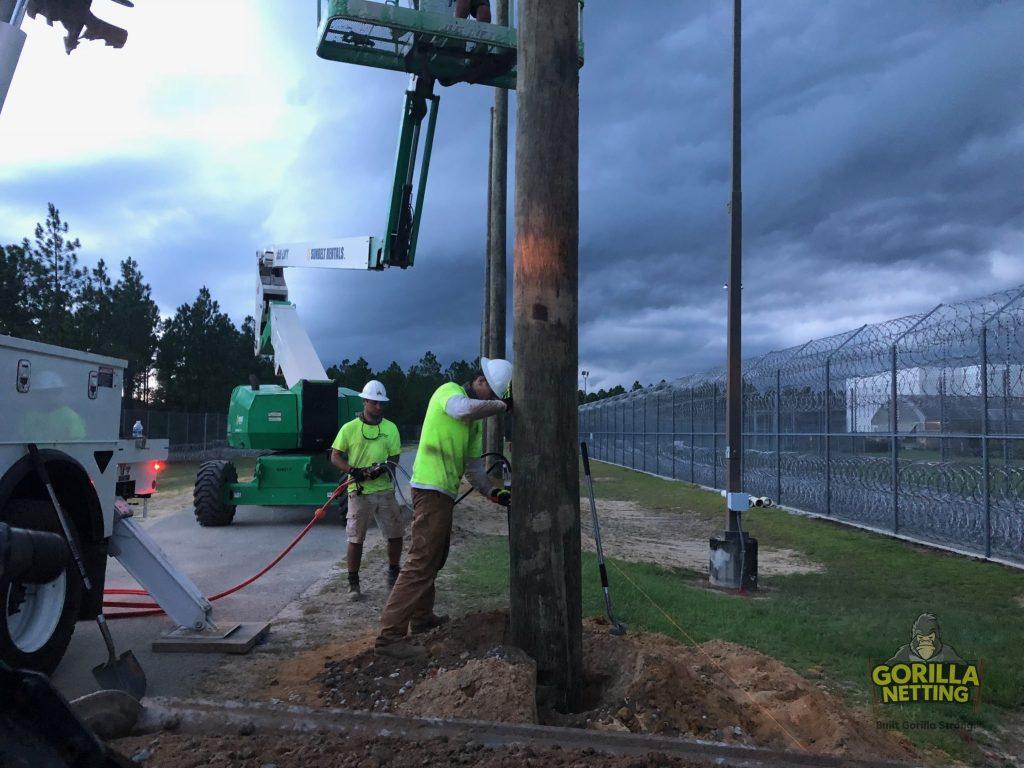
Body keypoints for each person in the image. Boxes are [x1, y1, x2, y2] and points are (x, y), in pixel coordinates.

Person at [374, 357, 512, 658]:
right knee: (422, 561)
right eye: (492, 395)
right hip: (429, 488)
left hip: (444, 493)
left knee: (435, 558)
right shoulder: (447, 392)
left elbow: (475, 471)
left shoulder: (474, 426)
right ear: (480, 381)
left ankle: (422, 618)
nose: (491, 402)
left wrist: (494, 493)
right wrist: (503, 406)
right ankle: (389, 637)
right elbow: (462, 408)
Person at [330, 380, 404, 601]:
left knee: (396, 534)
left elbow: (395, 457)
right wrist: (354, 470)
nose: (378, 407)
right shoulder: (349, 428)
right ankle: (353, 583)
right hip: (359, 490)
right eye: (374, 402)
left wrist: (384, 469)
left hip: (384, 490)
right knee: (355, 538)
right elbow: (335, 456)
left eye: (381, 403)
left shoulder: (390, 428)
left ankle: (393, 573)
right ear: (364, 401)